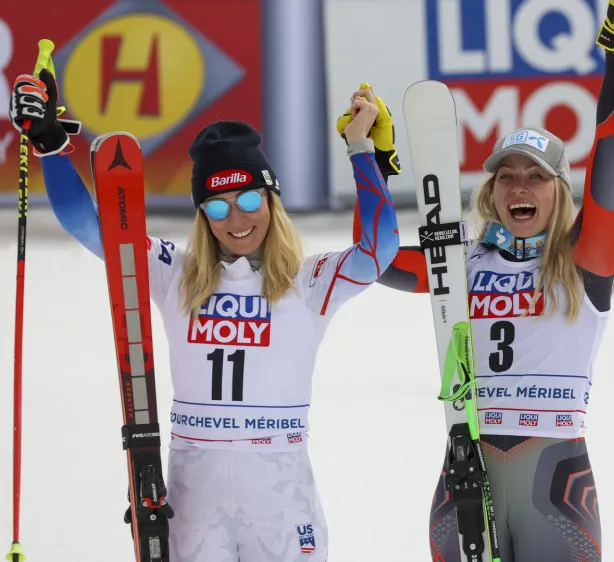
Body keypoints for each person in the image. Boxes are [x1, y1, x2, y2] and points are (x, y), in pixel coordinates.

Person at [9, 69, 400, 561]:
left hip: (280, 495)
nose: (237, 220)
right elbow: (90, 225)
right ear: (201, 216)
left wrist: (363, 150)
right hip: (196, 494)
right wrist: (50, 146)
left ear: (273, 201)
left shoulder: (308, 281)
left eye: (251, 200)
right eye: (217, 208)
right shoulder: (175, 271)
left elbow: (379, 248)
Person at [335, 13, 614, 562]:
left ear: (560, 191)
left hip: (553, 479)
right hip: (466, 467)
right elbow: (372, 259)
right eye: (506, 175)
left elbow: (611, 155)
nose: (520, 186)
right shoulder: (461, 260)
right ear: (492, 190)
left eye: (537, 176)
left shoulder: (584, 259)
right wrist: (367, 156)